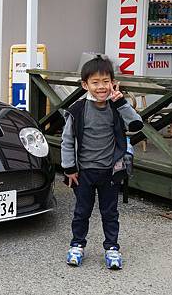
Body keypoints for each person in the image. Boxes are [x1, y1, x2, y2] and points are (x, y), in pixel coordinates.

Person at [61, 56, 143, 270]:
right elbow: (67, 140)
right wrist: (69, 169)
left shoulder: (117, 107)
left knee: (110, 212)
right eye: (95, 82)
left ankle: (112, 247)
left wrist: (121, 102)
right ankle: (77, 244)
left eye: (105, 81)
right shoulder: (77, 110)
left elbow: (136, 126)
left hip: (110, 171)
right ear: (85, 85)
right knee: (81, 211)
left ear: (113, 83)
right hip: (84, 172)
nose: (101, 87)